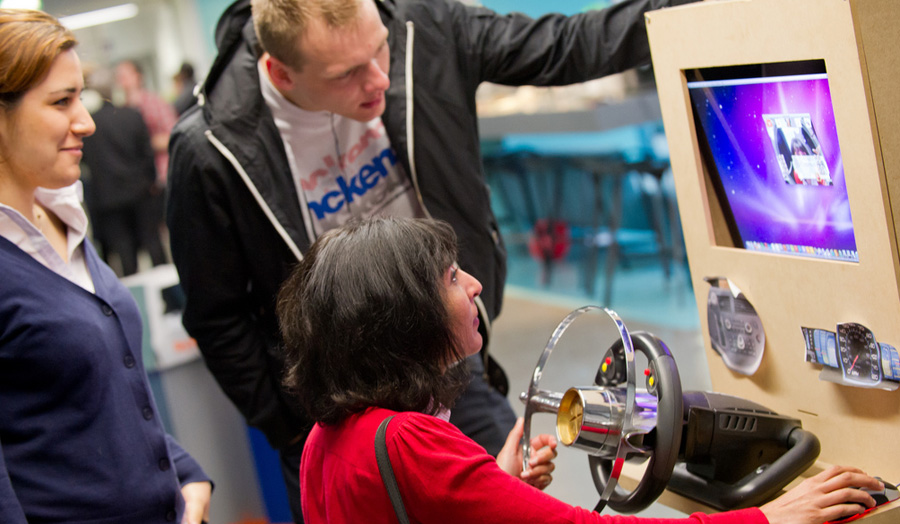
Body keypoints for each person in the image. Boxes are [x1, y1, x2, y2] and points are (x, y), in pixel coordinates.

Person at [166, 0, 701, 520]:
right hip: (335, 407)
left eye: (381, 50)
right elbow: (218, 317)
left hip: (446, 363)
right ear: (281, 74)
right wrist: (292, 423)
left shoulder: (425, 29)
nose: (379, 79)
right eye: (348, 74)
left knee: (510, 493)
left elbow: (562, 44)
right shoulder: (212, 149)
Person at [278, 216, 884, 524]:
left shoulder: (323, 443)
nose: (474, 284)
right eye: (451, 278)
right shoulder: (412, 442)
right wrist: (769, 516)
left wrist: (497, 485)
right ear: (402, 317)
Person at [0, 9, 212, 523]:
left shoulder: (60, 215)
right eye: (60, 102)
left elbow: (103, 397)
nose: (87, 121)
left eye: (80, 96)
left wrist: (185, 474)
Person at [81, 68, 168, 276]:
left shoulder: (89, 126)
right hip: (141, 192)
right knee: (154, 245)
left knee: (125, 253)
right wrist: (151, 182)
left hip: (109, 199)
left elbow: (86, 162)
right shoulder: (132, 116)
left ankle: (137, 304)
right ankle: (171, 299)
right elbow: (147, 154)